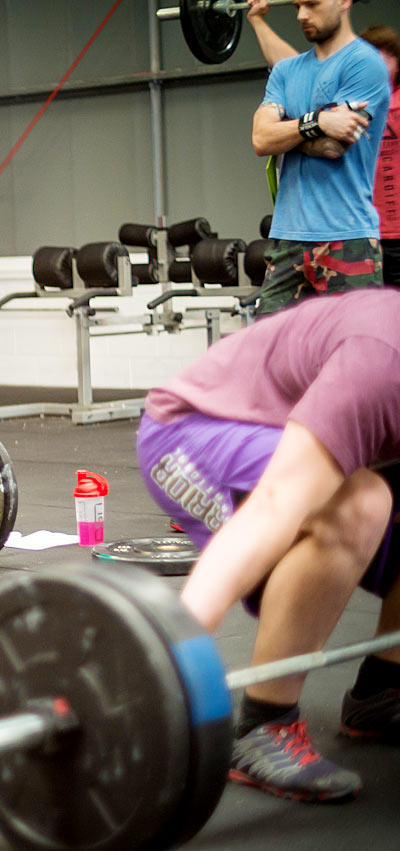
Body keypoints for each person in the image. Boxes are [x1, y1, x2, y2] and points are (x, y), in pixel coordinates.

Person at [136, 288, 400, 803]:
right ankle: (265, 724)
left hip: (284, 437)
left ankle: (384, 688)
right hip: (189, 429)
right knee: (359, 505)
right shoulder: (380, 363)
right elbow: (277, 502)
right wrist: (161, 659)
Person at [245, 0, 391, 314]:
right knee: (269, 358)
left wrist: (284, 132)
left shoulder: (365, 64)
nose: (301, 15)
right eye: (297, 5)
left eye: (311, 4)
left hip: (347, 238)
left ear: (343, 2)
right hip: (289, 240)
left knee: (354, 358)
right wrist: (318, 122)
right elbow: (260, 139)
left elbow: (333, 148)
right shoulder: (286, 71)